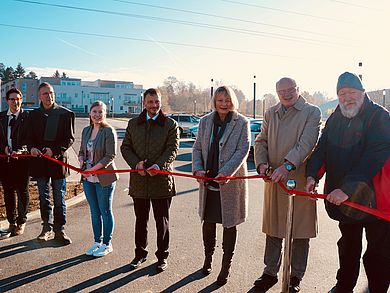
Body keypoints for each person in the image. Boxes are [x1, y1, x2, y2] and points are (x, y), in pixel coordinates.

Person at [306, 72, 390, 293]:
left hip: (375, 201)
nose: (347, 98)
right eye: (342, 94)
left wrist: (346, 189)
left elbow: (375, 156)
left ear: (363, 93)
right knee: (348, 246)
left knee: (377, 253)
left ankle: (377, 289)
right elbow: (322, 148)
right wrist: (312, 175)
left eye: (352, 92)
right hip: (347, 203)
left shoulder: (379, 117)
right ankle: (344, 285)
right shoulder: (336, 117)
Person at [254, 77, 321, 292]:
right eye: (282, 91)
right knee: (273, 229)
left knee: (300, 232)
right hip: (274, 180)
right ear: (277, 92)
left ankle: (295, 277)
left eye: (290, 89)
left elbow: (307, 143)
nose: (287, 94)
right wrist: (262, 164)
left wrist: (288, 166)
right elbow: (260, 140)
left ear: (298, 89)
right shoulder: (270, 112)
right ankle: (270, 272)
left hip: (299, 181)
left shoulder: (312, 112)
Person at [192, 86, 250, 286]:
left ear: (233, 101)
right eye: (220, 100)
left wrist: (227, 172)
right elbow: (197, 147)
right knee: (208, 223)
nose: (224, 104)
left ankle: (226, 266)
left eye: (227, 100)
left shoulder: (242, 122)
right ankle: (208, 258)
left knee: (229, 225)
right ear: (214, 102)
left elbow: (243, 149)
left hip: (229, 184)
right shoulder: (205, 121)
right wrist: (197, 169)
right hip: (208, 183)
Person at [121, 88, 179, 272]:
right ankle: (140, 254)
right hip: (139, 181)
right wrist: (135, 163)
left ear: (160, 103)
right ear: (144, 103)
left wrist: (159, 166)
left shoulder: (170, 125)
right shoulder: (132, 124)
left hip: (161, 181)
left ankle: (162, 256)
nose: (154, 105)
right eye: (150, 102)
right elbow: (125, 147)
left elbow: (172, 149)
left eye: (157, 102)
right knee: (141, 221)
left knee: (162, 222)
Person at [25, 82, 75, 245]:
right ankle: (46, 227)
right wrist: (32, 147)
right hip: (40, 163)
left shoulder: (65, 114)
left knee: (59, 198)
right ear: (39, 96)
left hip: (58, 162)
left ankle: (60, 230)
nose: (49, 96)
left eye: (51, 93)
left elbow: (69, 138)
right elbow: (29, 137)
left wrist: (54, 150)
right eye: (45, 93)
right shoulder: (32, 116)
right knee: (43, 197)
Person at [78, 101, 118, 257]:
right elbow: (81, 151)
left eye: (101, 112)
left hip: (104, 178)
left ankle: (107, 244)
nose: (97, 115)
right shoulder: (86, 130)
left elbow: (110, 156)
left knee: (105, 211)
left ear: (105, 113)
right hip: (88, 179)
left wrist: (92, 169)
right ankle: (97, 242)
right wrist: (81, 161)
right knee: (95, 212)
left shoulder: (109, 131)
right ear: (90, 113)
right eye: (94, 111)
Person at [0, 88, 30, 236]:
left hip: (22, 161)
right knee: (8, 192)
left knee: (22, 191)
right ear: (7, 101)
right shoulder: (1, 117)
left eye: (18, 99)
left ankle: (21, 221)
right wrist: (4, 148)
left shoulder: (27, 117)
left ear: (21, 100)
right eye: (12, 99)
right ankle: (11, 222)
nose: (15, 102)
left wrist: (21, 150)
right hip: (5, 161)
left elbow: (31, 138)